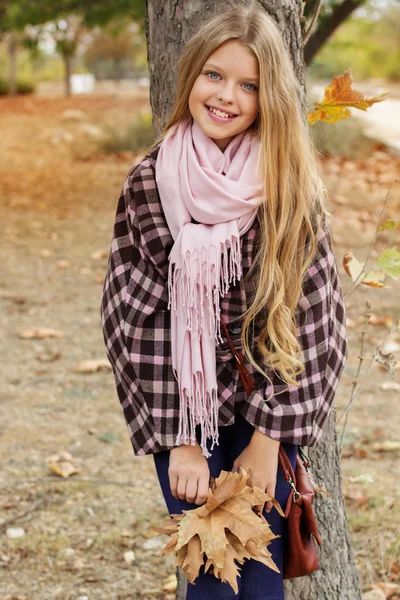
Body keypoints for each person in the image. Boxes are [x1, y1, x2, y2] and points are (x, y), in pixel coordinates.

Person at [100, 3, 348, 599]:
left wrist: (269, 440)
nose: (226, 96)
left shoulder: (287, 187)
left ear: (270, 98)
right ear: (190, 77)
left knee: (259, 584)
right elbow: (132, 318)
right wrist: (183, 438)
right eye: (214, 75)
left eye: (249, 85)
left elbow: (316, 318)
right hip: (184, 415)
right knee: (212, 578)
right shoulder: (152, 181)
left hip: (267, 409)